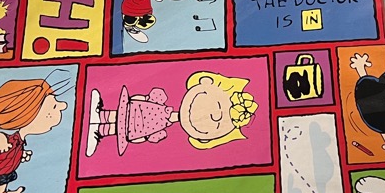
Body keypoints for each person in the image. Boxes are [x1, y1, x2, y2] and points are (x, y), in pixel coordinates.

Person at [87, 71, 257, 156]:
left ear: (204, 140)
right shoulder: (160, 104)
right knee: (122, 114)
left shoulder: (161, 126)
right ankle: (102, 115)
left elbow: (153, 137)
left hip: (142, 129)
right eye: (218, 105)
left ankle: (101, 131)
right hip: (141, 111)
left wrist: (146, 137)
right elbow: (152, 96)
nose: (214, 116)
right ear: (205, 82)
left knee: (122, 128)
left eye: (218, 123)